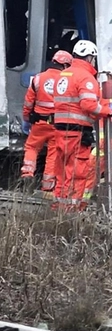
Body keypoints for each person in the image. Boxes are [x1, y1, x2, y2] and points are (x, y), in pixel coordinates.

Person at [49, 40, 110, 211]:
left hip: (60, 131)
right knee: (76, 173)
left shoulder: (63, 75)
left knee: (61, 172)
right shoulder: (85, 77)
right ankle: (71, 213)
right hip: (77, 132)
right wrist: (106, 110)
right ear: (90, 57)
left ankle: (58, 208)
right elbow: (88, 105)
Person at [23, 49, 70, 189]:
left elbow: (28, 102)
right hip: (58, 124)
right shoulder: (66, 81)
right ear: (66, 65)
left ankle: (27, 174)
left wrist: (26, 118)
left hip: (39, 122)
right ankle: (48, 186)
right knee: (53, 153)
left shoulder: (38, 78)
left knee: (31, 147)